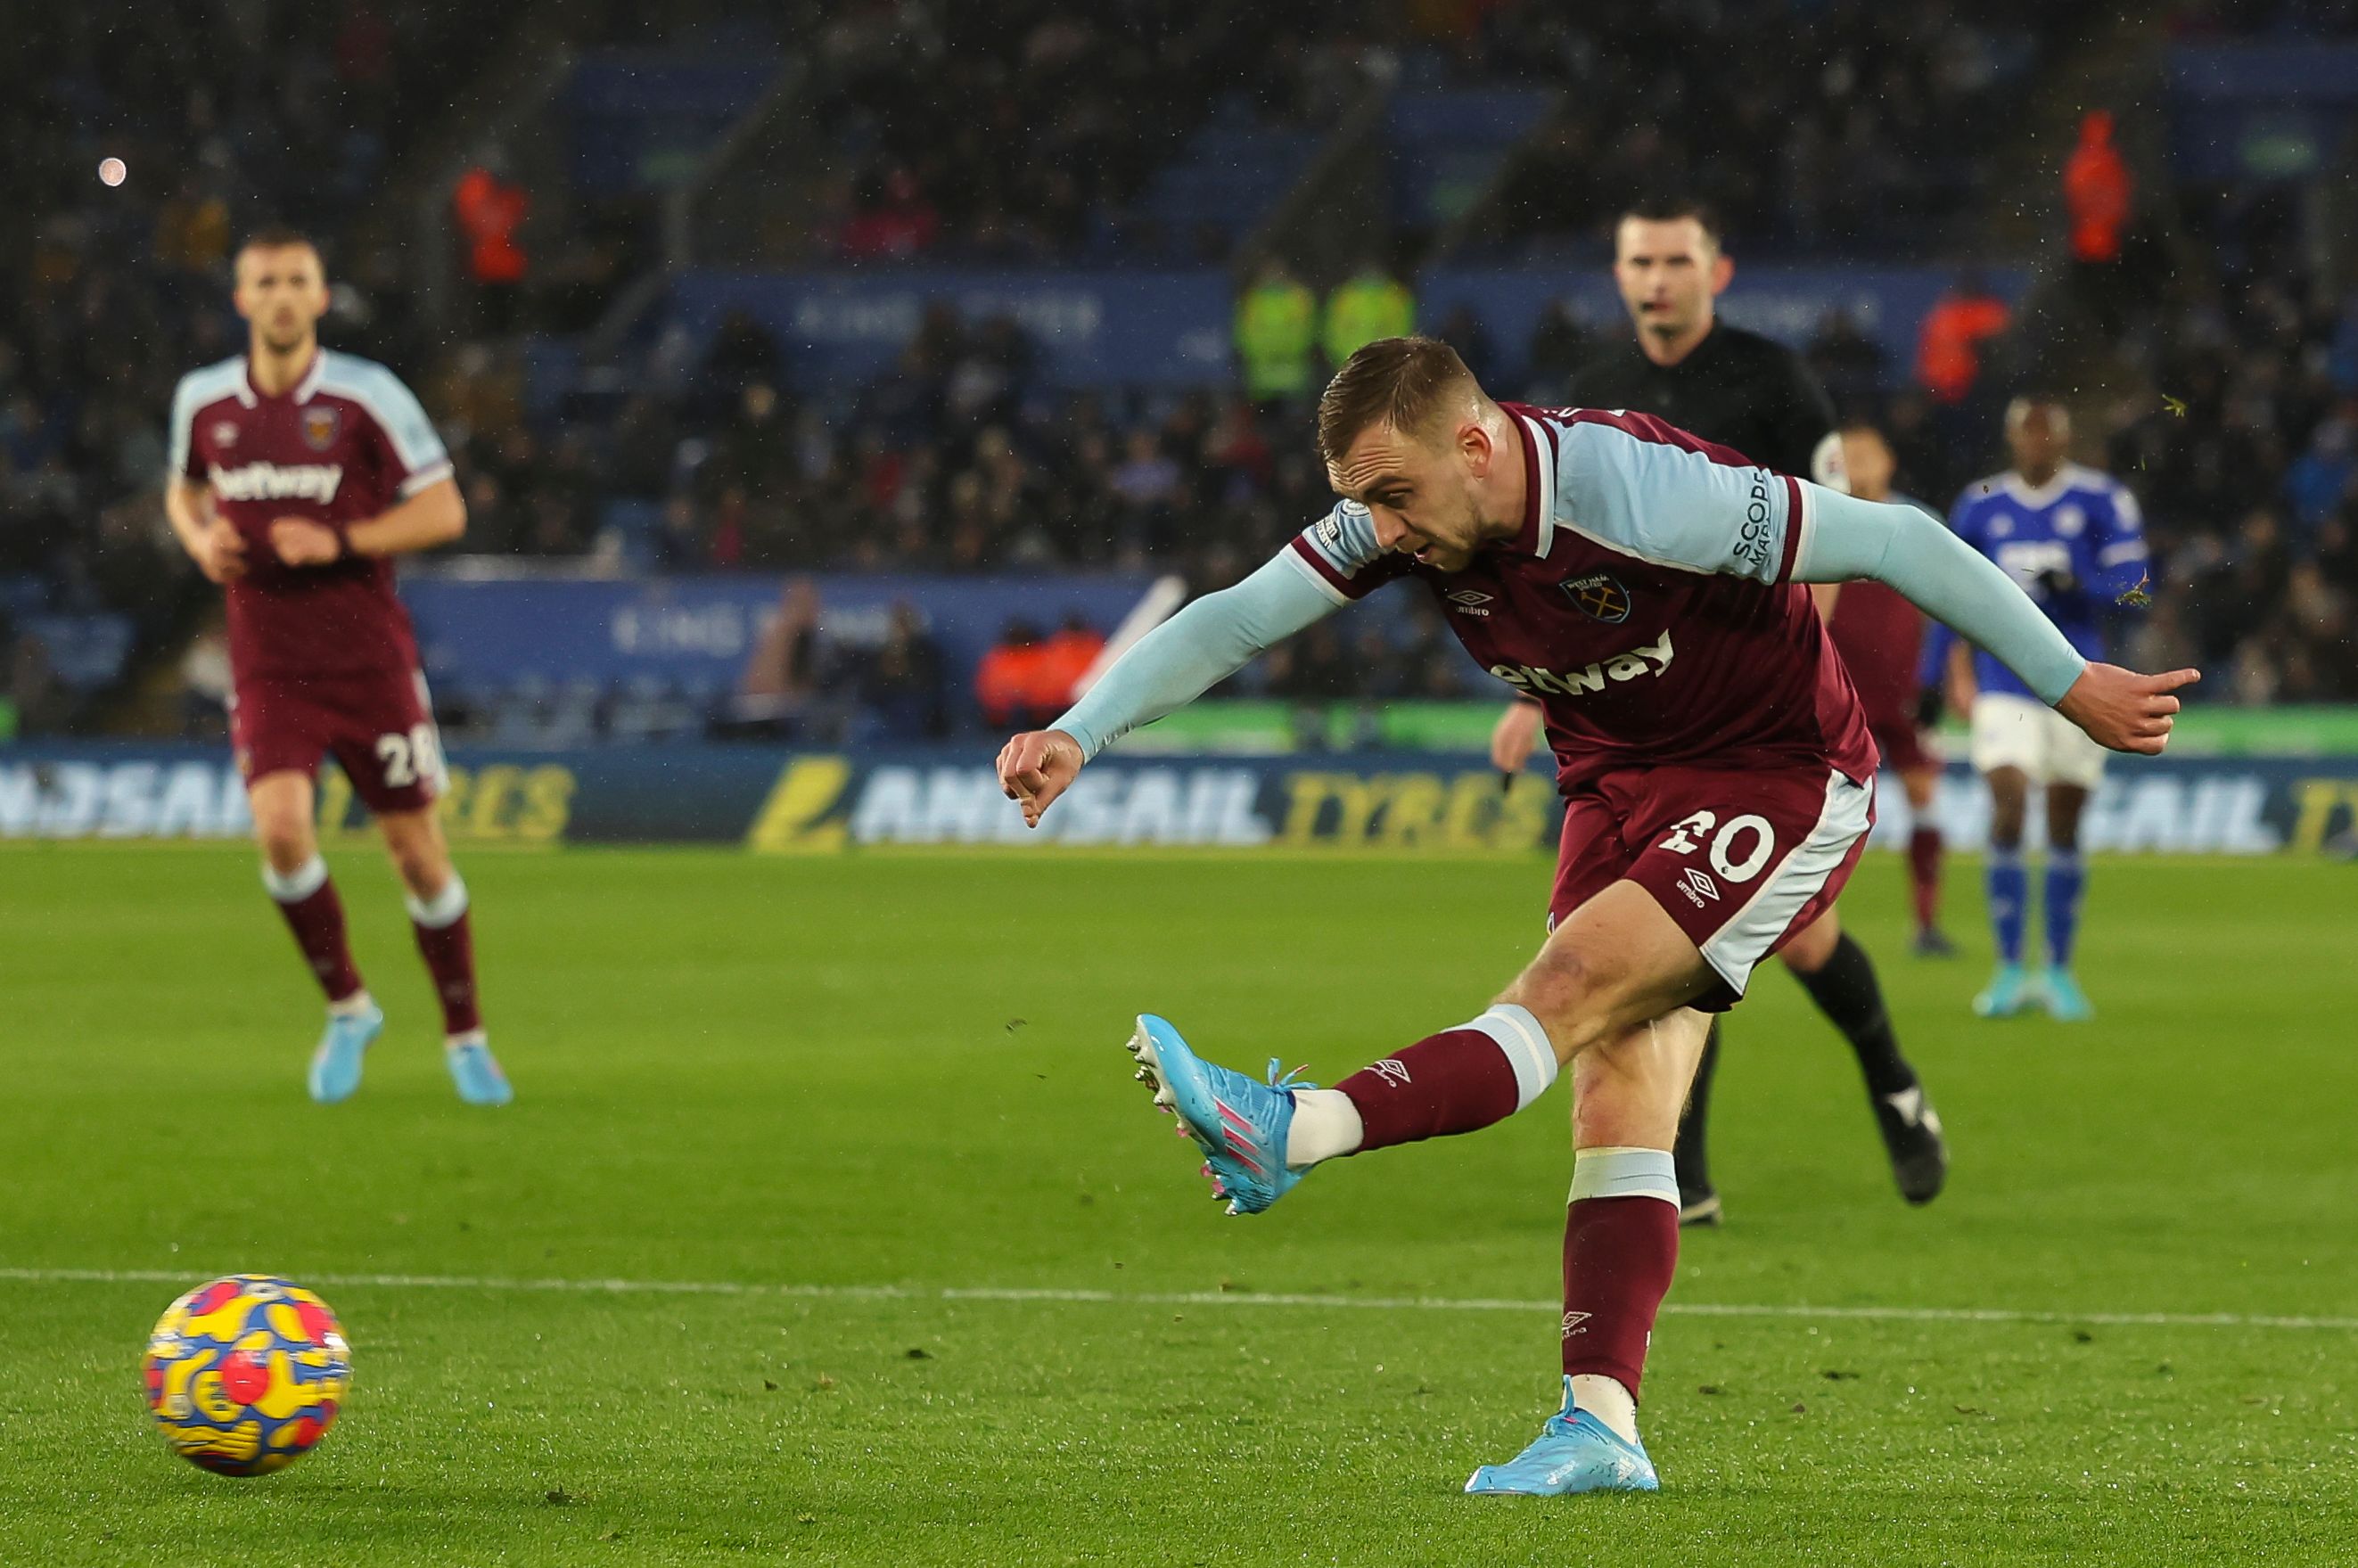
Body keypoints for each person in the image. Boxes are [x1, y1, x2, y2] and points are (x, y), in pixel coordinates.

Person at [996, 336, 2195, 1496]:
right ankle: (1601, 1422)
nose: (1388, 531)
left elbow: (1892, 538)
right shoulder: (1398, 510)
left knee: (1563, 989)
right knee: (1617, 1088)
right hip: (1614, 782)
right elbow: (1234, 618)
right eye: (1367, 505)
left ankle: (1294, 1126)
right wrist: (1079, 727)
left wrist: (2069, 680)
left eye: (1399, 497)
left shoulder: (1632, 488)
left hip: (1773, 770)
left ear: (1474, 443)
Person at [1486, 197, 1936, 1227]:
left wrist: (1794, 671)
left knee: (1804, 945)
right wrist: (1531, 691)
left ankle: (1889, 1079)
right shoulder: (1594, 393)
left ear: (1714, 271)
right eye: (1638, 259)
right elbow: (1559, 574)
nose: (1656, 278)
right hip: (1645, 712)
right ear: (1617, 271)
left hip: (1761, 707)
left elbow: (1834, 536)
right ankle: (1680, 1171)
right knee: (1665, 928)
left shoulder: (1774, 384)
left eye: (1674, 260)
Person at [163, 227, 512, 1107]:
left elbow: (444, 508)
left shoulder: (366, 397)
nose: (282, 295)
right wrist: (202, 539)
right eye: (266, 281)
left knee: (419, 858)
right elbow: (184, 486)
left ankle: (465, 1034)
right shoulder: (203, 400)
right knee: (281, 835)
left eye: (298, 281)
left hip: (369, 666)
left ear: (321, 298)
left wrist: (341, 539)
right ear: (242, 299)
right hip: (269, 666)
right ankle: (349, 1005)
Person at [1935, 396, 2150, 1022]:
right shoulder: (1980, 504)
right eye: (2025, 433)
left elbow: (2136, 587)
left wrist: (2081, 586)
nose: (2035, 443)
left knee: (2063, 821)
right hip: (2003, 682)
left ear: (2062, 439)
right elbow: (1944, 590)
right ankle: (2007, 966)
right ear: (2011, 439)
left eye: (2046, 433)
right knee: (2006, 801)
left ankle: (2055, 969)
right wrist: (1933, 675)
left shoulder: (2101, 500)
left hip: (2081, 683)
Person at [1828, 424, 1953, 955]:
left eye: (1866, 455)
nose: (1857, 466)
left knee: (1925, 798)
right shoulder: (1821, 519)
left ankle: (1925, 924)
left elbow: (1950, 604)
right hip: (1836, 690)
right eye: (1847, 456)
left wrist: (1949, 677)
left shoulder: (1920, 525)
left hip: (1903, 690)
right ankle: (1810, 928)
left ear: (1889, 462)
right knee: (1820, 816)